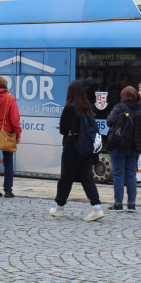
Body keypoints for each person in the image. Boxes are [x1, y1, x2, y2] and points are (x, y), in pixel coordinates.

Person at [49, 80, 105, 222]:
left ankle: (59, 208)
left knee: (66, 178)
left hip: (72, 146)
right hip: (85, 146)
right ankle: (97, 208)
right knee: (87, 178)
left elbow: (63, 130)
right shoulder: (87, 108)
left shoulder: (69, 108)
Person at [106, 86, 141, 213]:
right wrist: (139, 142)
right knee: (131, 175)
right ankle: (131, 205)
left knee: (118, 174)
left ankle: (118, 204)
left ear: (122, 96)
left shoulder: (119, 107)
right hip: (134, 147)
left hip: (118, 146)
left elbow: (109, 122)